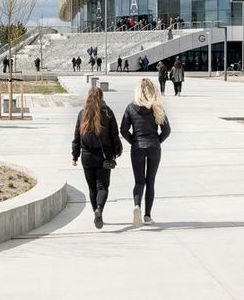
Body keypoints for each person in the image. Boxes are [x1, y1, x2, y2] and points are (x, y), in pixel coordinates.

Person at [120, 79, 171, 226]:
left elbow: (123, 130)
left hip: (137, 148)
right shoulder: (157, 107)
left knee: (139, 181)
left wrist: (134, 141)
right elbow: (167, 130)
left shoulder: (130, 107)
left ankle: (137, 206)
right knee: (150, 181)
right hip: (154, 147)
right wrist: (156, 141)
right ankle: (148, 216)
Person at [72, 86, 122, 229]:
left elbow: (76, 136)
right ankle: (99, 209)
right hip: (104, 156)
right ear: (101, 98)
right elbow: (114, 135)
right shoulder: (108, 113)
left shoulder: (82, 114)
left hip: (86, 156)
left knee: (92, 188)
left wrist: (75, 155)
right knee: (103, 186)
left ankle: (96, 211)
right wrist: (117, 151)